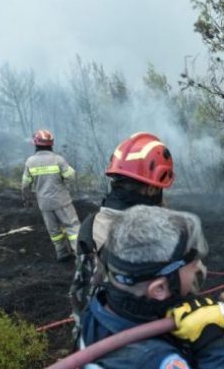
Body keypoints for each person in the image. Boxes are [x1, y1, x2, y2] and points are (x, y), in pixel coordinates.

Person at [78, 205, 224, 368]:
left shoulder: (99, 307)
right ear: (159, 289)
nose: (197, 268)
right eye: (192, 264)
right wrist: (210, 341)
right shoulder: (156, 359)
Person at [70, 132, 175, 337]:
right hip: (148, 341)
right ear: (153, 188)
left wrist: (81, 334)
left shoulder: (90, 225)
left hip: (96, 330)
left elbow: (79, 289)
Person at [22, 129, 80, 261]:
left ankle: (62, 253)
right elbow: (71, 176)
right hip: (62, 200)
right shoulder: (58, 159)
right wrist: (63, 183)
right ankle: (80, 256)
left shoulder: (30, 162)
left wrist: (27, 199)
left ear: (36, 144)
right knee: (73, 228)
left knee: (54, 231)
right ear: (51, 144)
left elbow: (25, 185)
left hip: (44, 203)